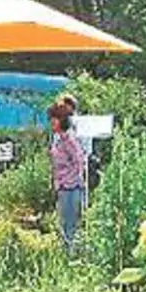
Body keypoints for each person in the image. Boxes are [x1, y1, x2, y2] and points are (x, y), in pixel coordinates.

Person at [48, 102, 87, 252]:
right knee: (63, 223)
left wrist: (71, 178)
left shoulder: (69, 139)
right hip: (63, 186)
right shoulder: (58, 139)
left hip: (71, 187)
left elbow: (79, 160)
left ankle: (70, 254)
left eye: (55, 118)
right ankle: (66, 253)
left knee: (70, 225)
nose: (52, 121)